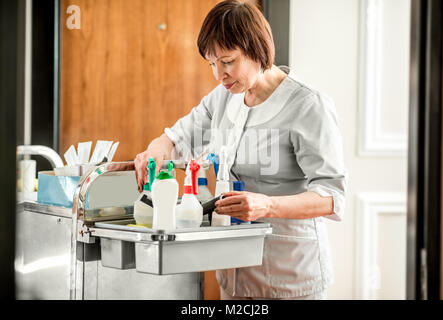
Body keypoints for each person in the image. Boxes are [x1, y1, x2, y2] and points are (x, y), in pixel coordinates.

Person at [134, 0, 347, 300]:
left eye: (228, 61)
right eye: (212, 64)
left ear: (257, 50)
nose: (219, 74)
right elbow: (174, 139)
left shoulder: (308, 105)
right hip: (234, 274)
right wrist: (155, 151)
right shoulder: (222, 99)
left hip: (291, 276)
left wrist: (267, 205)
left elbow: (331, 196)